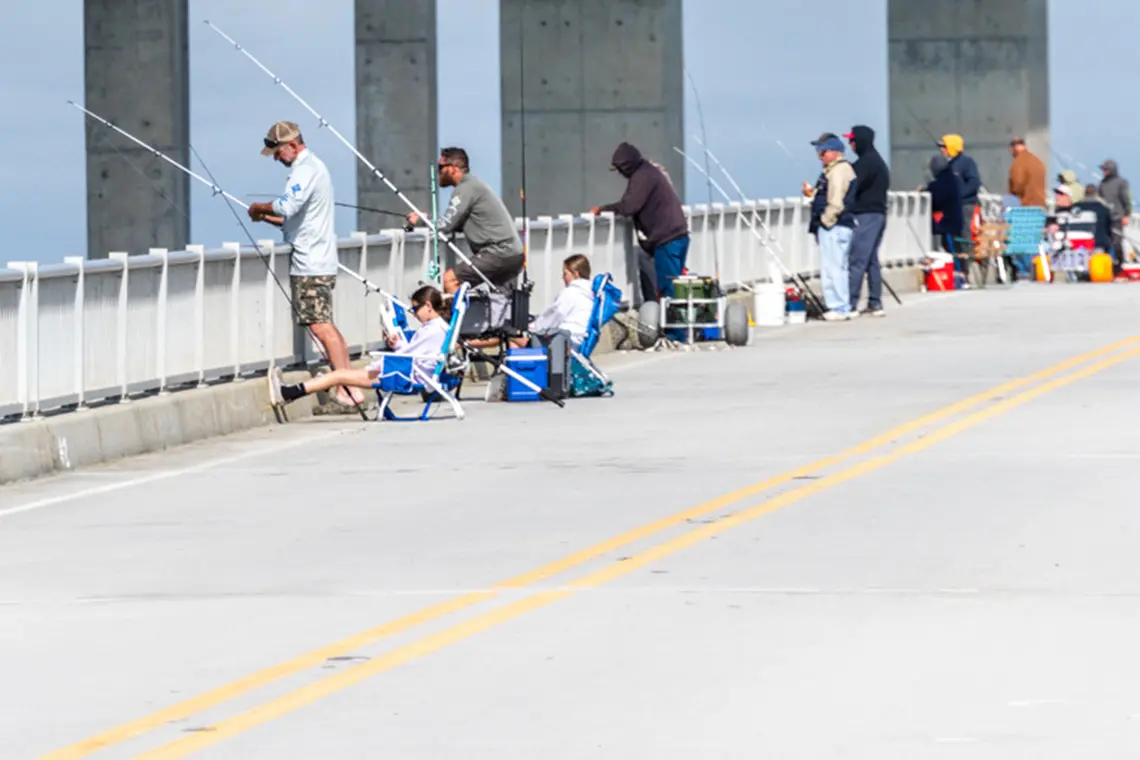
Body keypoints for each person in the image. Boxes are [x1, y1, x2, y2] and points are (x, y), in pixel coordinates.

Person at [247, 121, 362, 408]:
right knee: (326, 326)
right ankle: (348, 387)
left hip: (311, 262)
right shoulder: (313, 168)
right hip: (318, 257)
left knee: (321, 326)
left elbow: (287, 206)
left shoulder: (306, 169)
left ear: (292, 145)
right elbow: (293, 220)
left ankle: (347, 390)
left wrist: (258, 207)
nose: (275, 157)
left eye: (277, 151)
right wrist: (266, 218)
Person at [267, 285, 450, 407]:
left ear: (428, 306)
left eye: (415, 309)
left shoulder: (432, 330)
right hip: (412, 374)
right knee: (339, 376)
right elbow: (415, 353)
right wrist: (399, 344)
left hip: (403, 377)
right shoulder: (440, 328)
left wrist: (381, 357)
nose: (414, 314)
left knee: (338, 375)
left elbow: (409, 356)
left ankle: (288, 393)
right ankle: (292, 392)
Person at [406, 147, 524, 295]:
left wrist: (420, 220)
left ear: (453, 168)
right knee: (502, 305)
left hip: (498, 252)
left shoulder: (465, 189)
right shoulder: (475, 185)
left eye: (441, 167)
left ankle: (453, 318)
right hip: (513, 254)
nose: (438, 171)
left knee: (451, 279)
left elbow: (445, 226)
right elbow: (458, 223)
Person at [591, 142, 690, 303]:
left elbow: (629, 206)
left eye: (620, 170)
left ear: (626, 166)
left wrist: (602, 210)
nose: (621, 174)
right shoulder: (649, 172)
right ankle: (680, 326)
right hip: (678, 235)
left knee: (668, 291)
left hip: (667, 239)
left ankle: (674, 329)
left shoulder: (642, 177)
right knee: (675, 287)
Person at [806, 133, 857, 321]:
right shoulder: (834, 170)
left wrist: (826, 221)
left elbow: (836, 200)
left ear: (835, 152)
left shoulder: (839, 171)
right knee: (835, 267)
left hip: (835, 226)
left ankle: (839, 306)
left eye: (823, 152)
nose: (820, 156)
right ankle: (839, 305)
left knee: (833, 268)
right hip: (837, 225)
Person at [844, 125, 889, 317]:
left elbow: (850, 185)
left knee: (858, 259)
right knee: (871, 260)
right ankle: (875, 302)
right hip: (879, 214)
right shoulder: (877, 161)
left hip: (867, 215)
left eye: (852, 140)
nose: (850, 144)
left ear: (859, 141)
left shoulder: (865, 163)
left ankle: (851, 303)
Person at [529, 254, 594, 348]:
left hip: (565, 342)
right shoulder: (589, 292)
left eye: (565, 274)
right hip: (580, 340)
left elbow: (555, 316)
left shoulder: (571, 292)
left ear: (576, 274)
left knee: (516, 338)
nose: (563, 278)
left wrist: (534, 326)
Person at [938, 134, 982, 239]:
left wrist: (958, 194)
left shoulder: (966, 162)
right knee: (949, 237)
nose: (942, 150)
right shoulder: (950, 164)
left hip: (965, 206)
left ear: (952, 147)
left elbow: (974, 182)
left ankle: (967, 255)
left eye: (944, 147)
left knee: (964, 236)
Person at [1097, 159, 1132, 274]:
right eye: (1103, 169)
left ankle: (1119, 267)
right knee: (1105, 242)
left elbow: (1126, 199)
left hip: (1117, 217)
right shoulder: (1102, 183)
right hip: (1104, 218)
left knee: (1117, 242)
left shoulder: (1121, 182)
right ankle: (1107, 267)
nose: (1104, 172)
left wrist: (1126, 214)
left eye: (1106, 169)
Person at [926, 154, 964, 253]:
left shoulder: (939, 184)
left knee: (953, 252)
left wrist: (925, 191)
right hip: (956, 223)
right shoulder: (954, 180)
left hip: (947, 225)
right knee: (956, 249)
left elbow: (935, 201)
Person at [1007, 137, 1046, 207]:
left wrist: (1011, 194)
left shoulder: (1018, 162)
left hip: (1026, 205)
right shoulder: (1037, 160)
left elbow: (1018, 184)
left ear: (1014, 148)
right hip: (1040, 205)